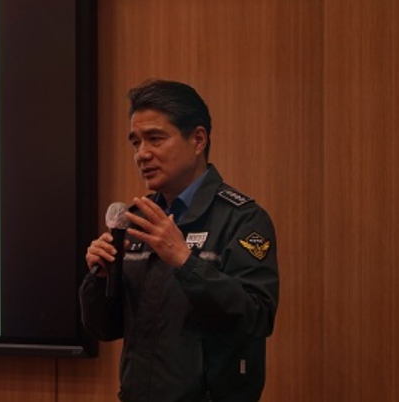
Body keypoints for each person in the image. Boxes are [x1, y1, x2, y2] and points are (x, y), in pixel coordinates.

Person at [80, 79, 279, 402]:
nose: (142, 154)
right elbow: (105, 329)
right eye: (136, 143)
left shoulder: (242, 219)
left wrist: (186, 262)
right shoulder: (136, 220)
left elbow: (257, 317)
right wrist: (100, 278)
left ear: (198, 139)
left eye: (155, 139)